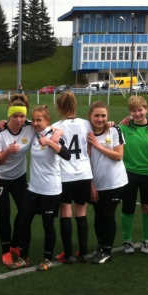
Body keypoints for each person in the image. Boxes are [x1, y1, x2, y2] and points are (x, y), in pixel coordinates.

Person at [9, 105, 70, 271]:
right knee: (24, 222)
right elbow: (20, 120)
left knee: (47, 225)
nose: (35, 123)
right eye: (34, 119)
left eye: (39, 120)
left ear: (47, 121)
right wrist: (3, 122)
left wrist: (50, 142)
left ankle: (47, 259)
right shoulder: (34, 131)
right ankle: (24, 257)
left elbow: (67, 155)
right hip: (33, 189)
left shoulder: (52, 135)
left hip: (50, 190)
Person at [0, 94, 34, 266]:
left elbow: (47, 126)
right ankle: (5, 250)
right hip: (1, 178)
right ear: (9, 115)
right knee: (5, 213)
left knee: (24, 211)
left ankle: (15, 244)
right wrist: (8, 151)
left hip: (19, 177)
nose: (18, 120)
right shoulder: (0, 131)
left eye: (22, 116)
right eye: (15, 116)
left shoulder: (30, 126)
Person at [53, 90, 93, 264]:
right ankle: (83, 254)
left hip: (65, 175)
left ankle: (68, 255)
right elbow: (89, 149)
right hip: (84, 173)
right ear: (75, 104)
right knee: (81, 213)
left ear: (59, 106)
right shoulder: (86, 124)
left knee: (65, 212)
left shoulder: (56, 126)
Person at [119, 96, 148, 254]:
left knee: (147, 207)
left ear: (146, 109)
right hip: (128, 174)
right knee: (128, 208)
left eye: (140, 110)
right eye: (133, 111)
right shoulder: (123, 127)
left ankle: (146, 240)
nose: (137, 113)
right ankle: (127, 241)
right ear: (129, 112)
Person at [87, 102, 127, 264]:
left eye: (103, 115)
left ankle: (107, 251)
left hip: (115, 182)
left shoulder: (114, 130)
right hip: (96, 183)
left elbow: (118, 156)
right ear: (90, 116)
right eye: (96, 115)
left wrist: (98, 145)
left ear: (107, 116)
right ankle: (100, 246)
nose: (100, 119)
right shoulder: (86, 133)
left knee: (108, 215)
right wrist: (91, 186)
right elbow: (85, 161)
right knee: (98, 215)